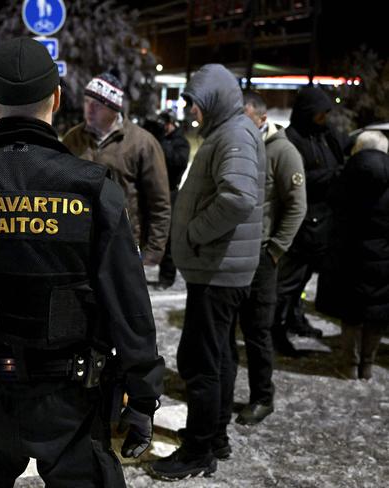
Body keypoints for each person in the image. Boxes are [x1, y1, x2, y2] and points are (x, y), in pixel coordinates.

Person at [0, 37, 164, 488]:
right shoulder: (92, 189)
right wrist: (142, 396)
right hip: (71, 404)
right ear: (57, 98)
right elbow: (130, 306)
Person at [148, 64, 265, 480]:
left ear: (214, 99)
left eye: (194, 103)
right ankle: (213, 435)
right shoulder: (229, 131)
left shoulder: (233, 134)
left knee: (200, 361)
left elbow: (237, 197)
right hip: (220, 269)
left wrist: (195, 232)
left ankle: (198, 449)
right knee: (218, 357)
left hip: (218, 269)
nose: (191, 112)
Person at [233, 91, 307, 425]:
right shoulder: (238, 144)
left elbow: (297, 205)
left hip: (262, 255)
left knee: (257, 330)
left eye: (246, 117)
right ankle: (223, 392)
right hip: (234, 253)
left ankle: (263, 396)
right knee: (227, 328)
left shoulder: (282, 151)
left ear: (262, 118)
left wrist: (277, 249)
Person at [62, 71, 171, 266]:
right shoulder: (73, 139)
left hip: (124, 245)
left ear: (113, 109)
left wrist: (153, 252)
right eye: (87, 102)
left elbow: (159, 202)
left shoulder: (142, 143)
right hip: (80, 244)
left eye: (97, 105)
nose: (89, 109)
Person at [272, 86, 346, 355]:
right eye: (319, 114)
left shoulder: (326, 136)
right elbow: (296, 180)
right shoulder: (292, 140)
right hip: (301, 223)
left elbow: (343, 157)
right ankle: (276, 330)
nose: (324, 118)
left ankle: (295, 318)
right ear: (307, 113)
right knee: (287, 282)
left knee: (302, 282)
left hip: (323, 222)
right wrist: (333, 176)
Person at [316, 130, 389, 380]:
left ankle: (349, 365)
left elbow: (331, 207)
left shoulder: (344, 176)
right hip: (383, 258)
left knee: (351, 315)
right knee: (376, 315)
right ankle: (367, 365)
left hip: (348, 256)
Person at [156, 110, 190, 288]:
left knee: (168, 238)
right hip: (154, 192)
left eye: (164, 123)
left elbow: (179, 163)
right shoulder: (160, 138)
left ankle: (167, 277)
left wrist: (163, 144)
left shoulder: (180, 142)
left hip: (171, 192)